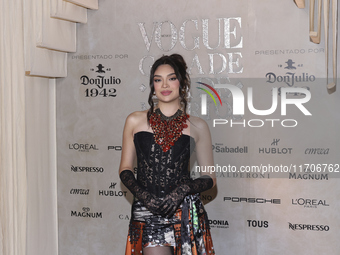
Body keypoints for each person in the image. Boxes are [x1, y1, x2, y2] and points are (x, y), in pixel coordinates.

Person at [119, 54, 216, 255]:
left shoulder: (198, 126)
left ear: (182, 82)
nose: (164, 84)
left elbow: (210, 179)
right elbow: (125, 169)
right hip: (147, 211)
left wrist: (181, 191)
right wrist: (145, 197)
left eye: (171, 78)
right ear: (152, 85)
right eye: (157, 79)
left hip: (185, 210)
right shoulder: (135, 121)